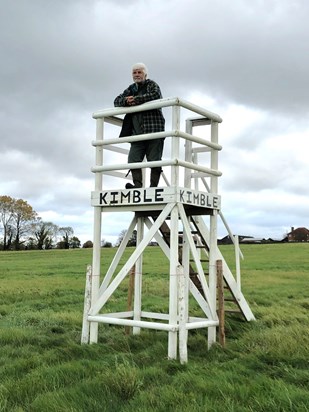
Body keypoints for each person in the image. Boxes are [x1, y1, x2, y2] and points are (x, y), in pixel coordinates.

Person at [114, 63, 165, 189]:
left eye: (139, 72)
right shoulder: (131, 88)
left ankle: (153, 187)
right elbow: (116, 101)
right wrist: (126, 101)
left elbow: (155, 95)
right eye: (134, 73)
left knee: (154, 160)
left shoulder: (152, 85)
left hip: (154, 130)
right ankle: (137, 185)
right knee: (133, 159)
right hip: (137, 133)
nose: (137, 75)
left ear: (145, 74)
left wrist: (135, 100)